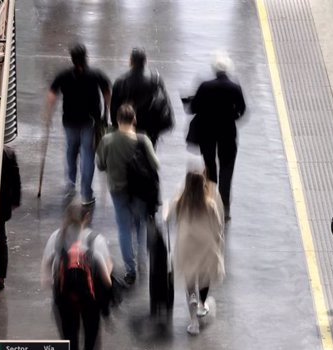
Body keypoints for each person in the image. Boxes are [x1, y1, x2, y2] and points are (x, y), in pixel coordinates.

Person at [41, 201, 113, 350]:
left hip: (63, 297)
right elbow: (106, 277)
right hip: (90, 299)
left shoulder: (56, 238)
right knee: (91, 335)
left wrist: (49, 281)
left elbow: (46, 267)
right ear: (86, 217)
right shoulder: (95, 240)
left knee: (69, 336)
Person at [97, 104, 159, 285]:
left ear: (117, 120)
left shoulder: (107, 140)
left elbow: (100, 165)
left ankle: (130, 270)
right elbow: (156, 164)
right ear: (134, 120)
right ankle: (142, 261)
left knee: (124, 228)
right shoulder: (142, 139)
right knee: (140, 224)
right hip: (140, 191)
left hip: (118, 190)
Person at [45, 43, 111, 206]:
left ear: (72, 59)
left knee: (71, 151)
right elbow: (107, 92)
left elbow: (52, 94)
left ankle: (70, 185)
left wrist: (48, 115)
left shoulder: (64, 75)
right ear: (85, 57)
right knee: (88, 155)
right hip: (90, 121)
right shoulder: (96, 75)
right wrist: (107, 113)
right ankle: (86, 193)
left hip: (69, 121)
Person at [187, 53, 246, 221]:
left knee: (210, 166)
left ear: (214, 69)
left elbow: (193, 107)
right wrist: (232, 116)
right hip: (227, 133)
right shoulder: (235, 87)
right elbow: (242, 109)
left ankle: (211, 200)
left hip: (207, 133)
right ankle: (224, 205)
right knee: (227, 168)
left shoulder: (205, 86)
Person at [166, 170, 225, 335]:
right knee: (204, 278)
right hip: (205, 248)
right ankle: (201, 304)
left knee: (190, 281)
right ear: (202, 185)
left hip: (187, 248)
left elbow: (167, 216)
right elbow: (218, 228)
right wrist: (218, 243)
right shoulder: (210, 204)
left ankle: (194, 323)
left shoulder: (181, 202)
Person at [110, 48, 173, 149]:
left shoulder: (121, 81)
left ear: (131, 61)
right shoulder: (155, 79)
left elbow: (114, 107)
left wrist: (116, 126)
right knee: (149, 156)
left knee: (129, 158)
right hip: (151, 127)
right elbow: (164, 102)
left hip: (128, 126)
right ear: (145, 61)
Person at [0, 146, 21, 297]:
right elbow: (16, 180)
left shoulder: (6, 154)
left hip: (0, 205)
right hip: (2, 206)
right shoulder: (8, 153)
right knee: (0, 238)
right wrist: (15, 200)